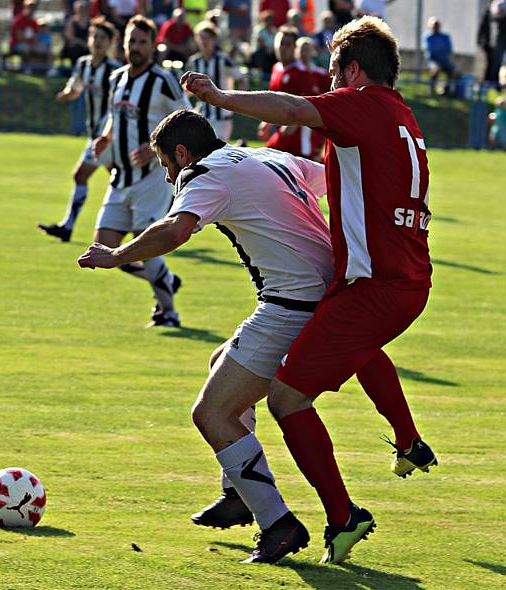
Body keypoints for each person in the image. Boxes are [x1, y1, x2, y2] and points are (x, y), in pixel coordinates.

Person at [182, 15, 437, 564]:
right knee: (346, 336)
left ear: (352, 69)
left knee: (286, 397)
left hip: (378, 285)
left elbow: (297, 109)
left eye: (332, 71)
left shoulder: (363, 102)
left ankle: (343, 517)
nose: (327, 84)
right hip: (398, 279)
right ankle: (409, 441)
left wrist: (222, 98)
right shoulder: (403, 116)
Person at [79, 108, 334, 562]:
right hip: (321, 296)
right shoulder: (261, 157)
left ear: (182, 153)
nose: (168, 177)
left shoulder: (205, 174)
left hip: (292, 307)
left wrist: (116, 255)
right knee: (221, 363)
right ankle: (239, 494)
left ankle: (278, 523)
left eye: (165, 166)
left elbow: (175, 230)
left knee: (211, 414)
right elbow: (334, 179)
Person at [90, 15, 191, 328]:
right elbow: (113, 117)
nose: (136, 47)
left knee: (144, 245)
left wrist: (156, 147)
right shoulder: (116, 78)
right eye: (131, 41)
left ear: (152, 46)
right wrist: (106, 137)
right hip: (120, 177)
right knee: (105, 247)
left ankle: (168, 312)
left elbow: (187, 118)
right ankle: (165, 278)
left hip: (150, 178)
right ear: (124, 44)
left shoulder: (162, 80)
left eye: (142, 42)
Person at [38, 17, 119, 243]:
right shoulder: (83, 64)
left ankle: (68, 227)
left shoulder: (114, 70)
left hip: (107, 136)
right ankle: (153, 216)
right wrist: (65, 94)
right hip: (94, 134)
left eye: (103, 38)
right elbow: (75, 88)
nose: (97, 42)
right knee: (121, 179)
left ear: (111, 43)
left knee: (82, 175)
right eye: (95, 37)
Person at [260, 27, 323, 161]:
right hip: (281, 132)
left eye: (287, 44)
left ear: (295, 48)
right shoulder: (276, 68)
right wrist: (266, 123)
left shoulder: (302, 73)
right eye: (280, 43)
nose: (283, 48)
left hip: (299, 137)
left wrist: (291, 126)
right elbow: (272, 98)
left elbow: (308, 106)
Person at [186, 21, 237, 141]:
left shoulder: (223, 60)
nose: (204, 41)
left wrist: (234, 101)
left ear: (214, 39)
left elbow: (241, 79)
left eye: (208, 38)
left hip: (222, 115)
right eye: (201, 37)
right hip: (203, 114)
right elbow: (186, 90)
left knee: (218, 151)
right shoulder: (194, 62)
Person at [424, 17, 459, 96]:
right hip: (433, 61)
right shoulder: (428, 37)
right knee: (435, 69)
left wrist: (439, 49)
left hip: (445, 60)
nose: (436, 27)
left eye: (437, 25)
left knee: (455, 71)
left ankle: (445, 90)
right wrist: (440, 48)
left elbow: (448, 48)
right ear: (430, 27)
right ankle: (431, 90)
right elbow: (430, 49)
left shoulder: (445, 36)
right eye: (434, 26)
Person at [60, 0, 89, 67]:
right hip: (76, 45)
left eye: (83, 8)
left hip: (86, 45)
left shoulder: (89, 22)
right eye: (80, 9)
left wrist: (86, 44)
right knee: (75, 49)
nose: (82, 10)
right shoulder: (72, 21)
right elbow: (70, 37)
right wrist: (82, 43)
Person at [250, 9, 277, 79]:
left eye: (271, 20)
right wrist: (268, 49)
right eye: (267, 20)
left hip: (272, 52)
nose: (269, 22)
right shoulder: (259, 30)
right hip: (260, 52)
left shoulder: (274, 30)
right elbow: (261, 42)